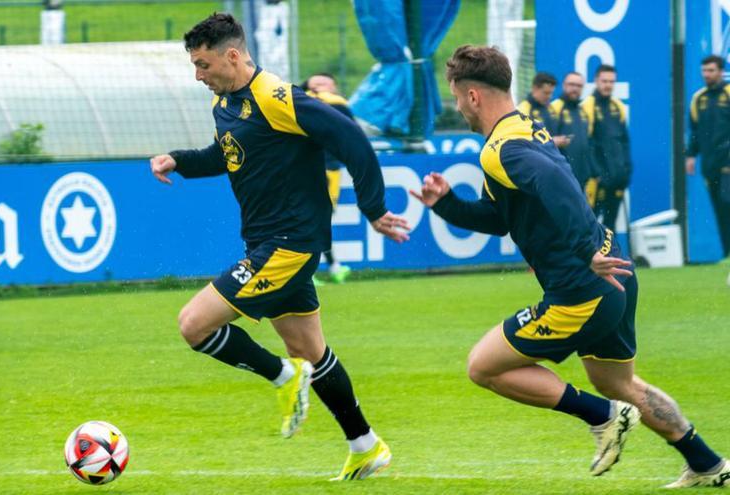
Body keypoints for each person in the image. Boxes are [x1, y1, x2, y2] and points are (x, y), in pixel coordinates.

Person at [410, 45, 729, 488]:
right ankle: (707, 462)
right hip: (614, 273)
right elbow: (502, 218)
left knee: (482, 367)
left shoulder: (502, 148)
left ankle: (602, 417)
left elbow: (555, 182)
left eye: (457, 97)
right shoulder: (524, 127)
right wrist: (445, 205)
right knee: (622, 384)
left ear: (473, 96)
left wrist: (585, 250)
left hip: (583, 287)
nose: (459, 106)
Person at [149, 13, 409, 480]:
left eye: (203, 64)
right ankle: (366, 445)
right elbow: (223, 156)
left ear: (232, 55)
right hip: (270, 242)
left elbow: (351, 139)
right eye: (194, 65)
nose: (198, 76)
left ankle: (283, 377)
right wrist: (180, 160)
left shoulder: (276, 97)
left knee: (193, 324)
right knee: (312, 349)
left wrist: (373, 208)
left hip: (288, 245)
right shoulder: (226, 104)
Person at [302, 72, 354, 284]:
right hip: (302, 170)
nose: (321, 85)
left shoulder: (339, 105)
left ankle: (326, 267)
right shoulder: (299, 101)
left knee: (319, 220)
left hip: (330, 170)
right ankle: (314, 270)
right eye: (316, 82)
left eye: (326, 82)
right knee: (310, 219)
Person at [685, 55, 730, 264]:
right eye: (704, 71)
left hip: (728, 162)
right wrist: (691, 155)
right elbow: (694, 131)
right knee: (720, 209)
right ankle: (727, 253)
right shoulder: (698, 98)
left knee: (727, 202)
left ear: (721, 71)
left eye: (711, 70)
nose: (707, 75)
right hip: (710, 165)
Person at [583, 65, 632, 232]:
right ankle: (589, 257)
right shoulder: (587, 106)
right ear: (596, 81)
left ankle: (610, 257)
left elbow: (624, 142)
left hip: (617, 178)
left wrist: (626, 171)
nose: (608, 85)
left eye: (612, 81)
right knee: (591, 221)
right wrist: (597, 173)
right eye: (604, 81)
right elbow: (586, 144)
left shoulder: (618, 107)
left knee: (611, 224)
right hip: (597, 180)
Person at [550, 72, 598, 202]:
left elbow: (587, 143)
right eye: (572, 84)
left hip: (582, 178)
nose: (575, 88)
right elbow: (542, 143)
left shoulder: (582, 111)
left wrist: (593, 171)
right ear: (564, 85)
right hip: (563, 179)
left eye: (579, 85)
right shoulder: (554, 108)